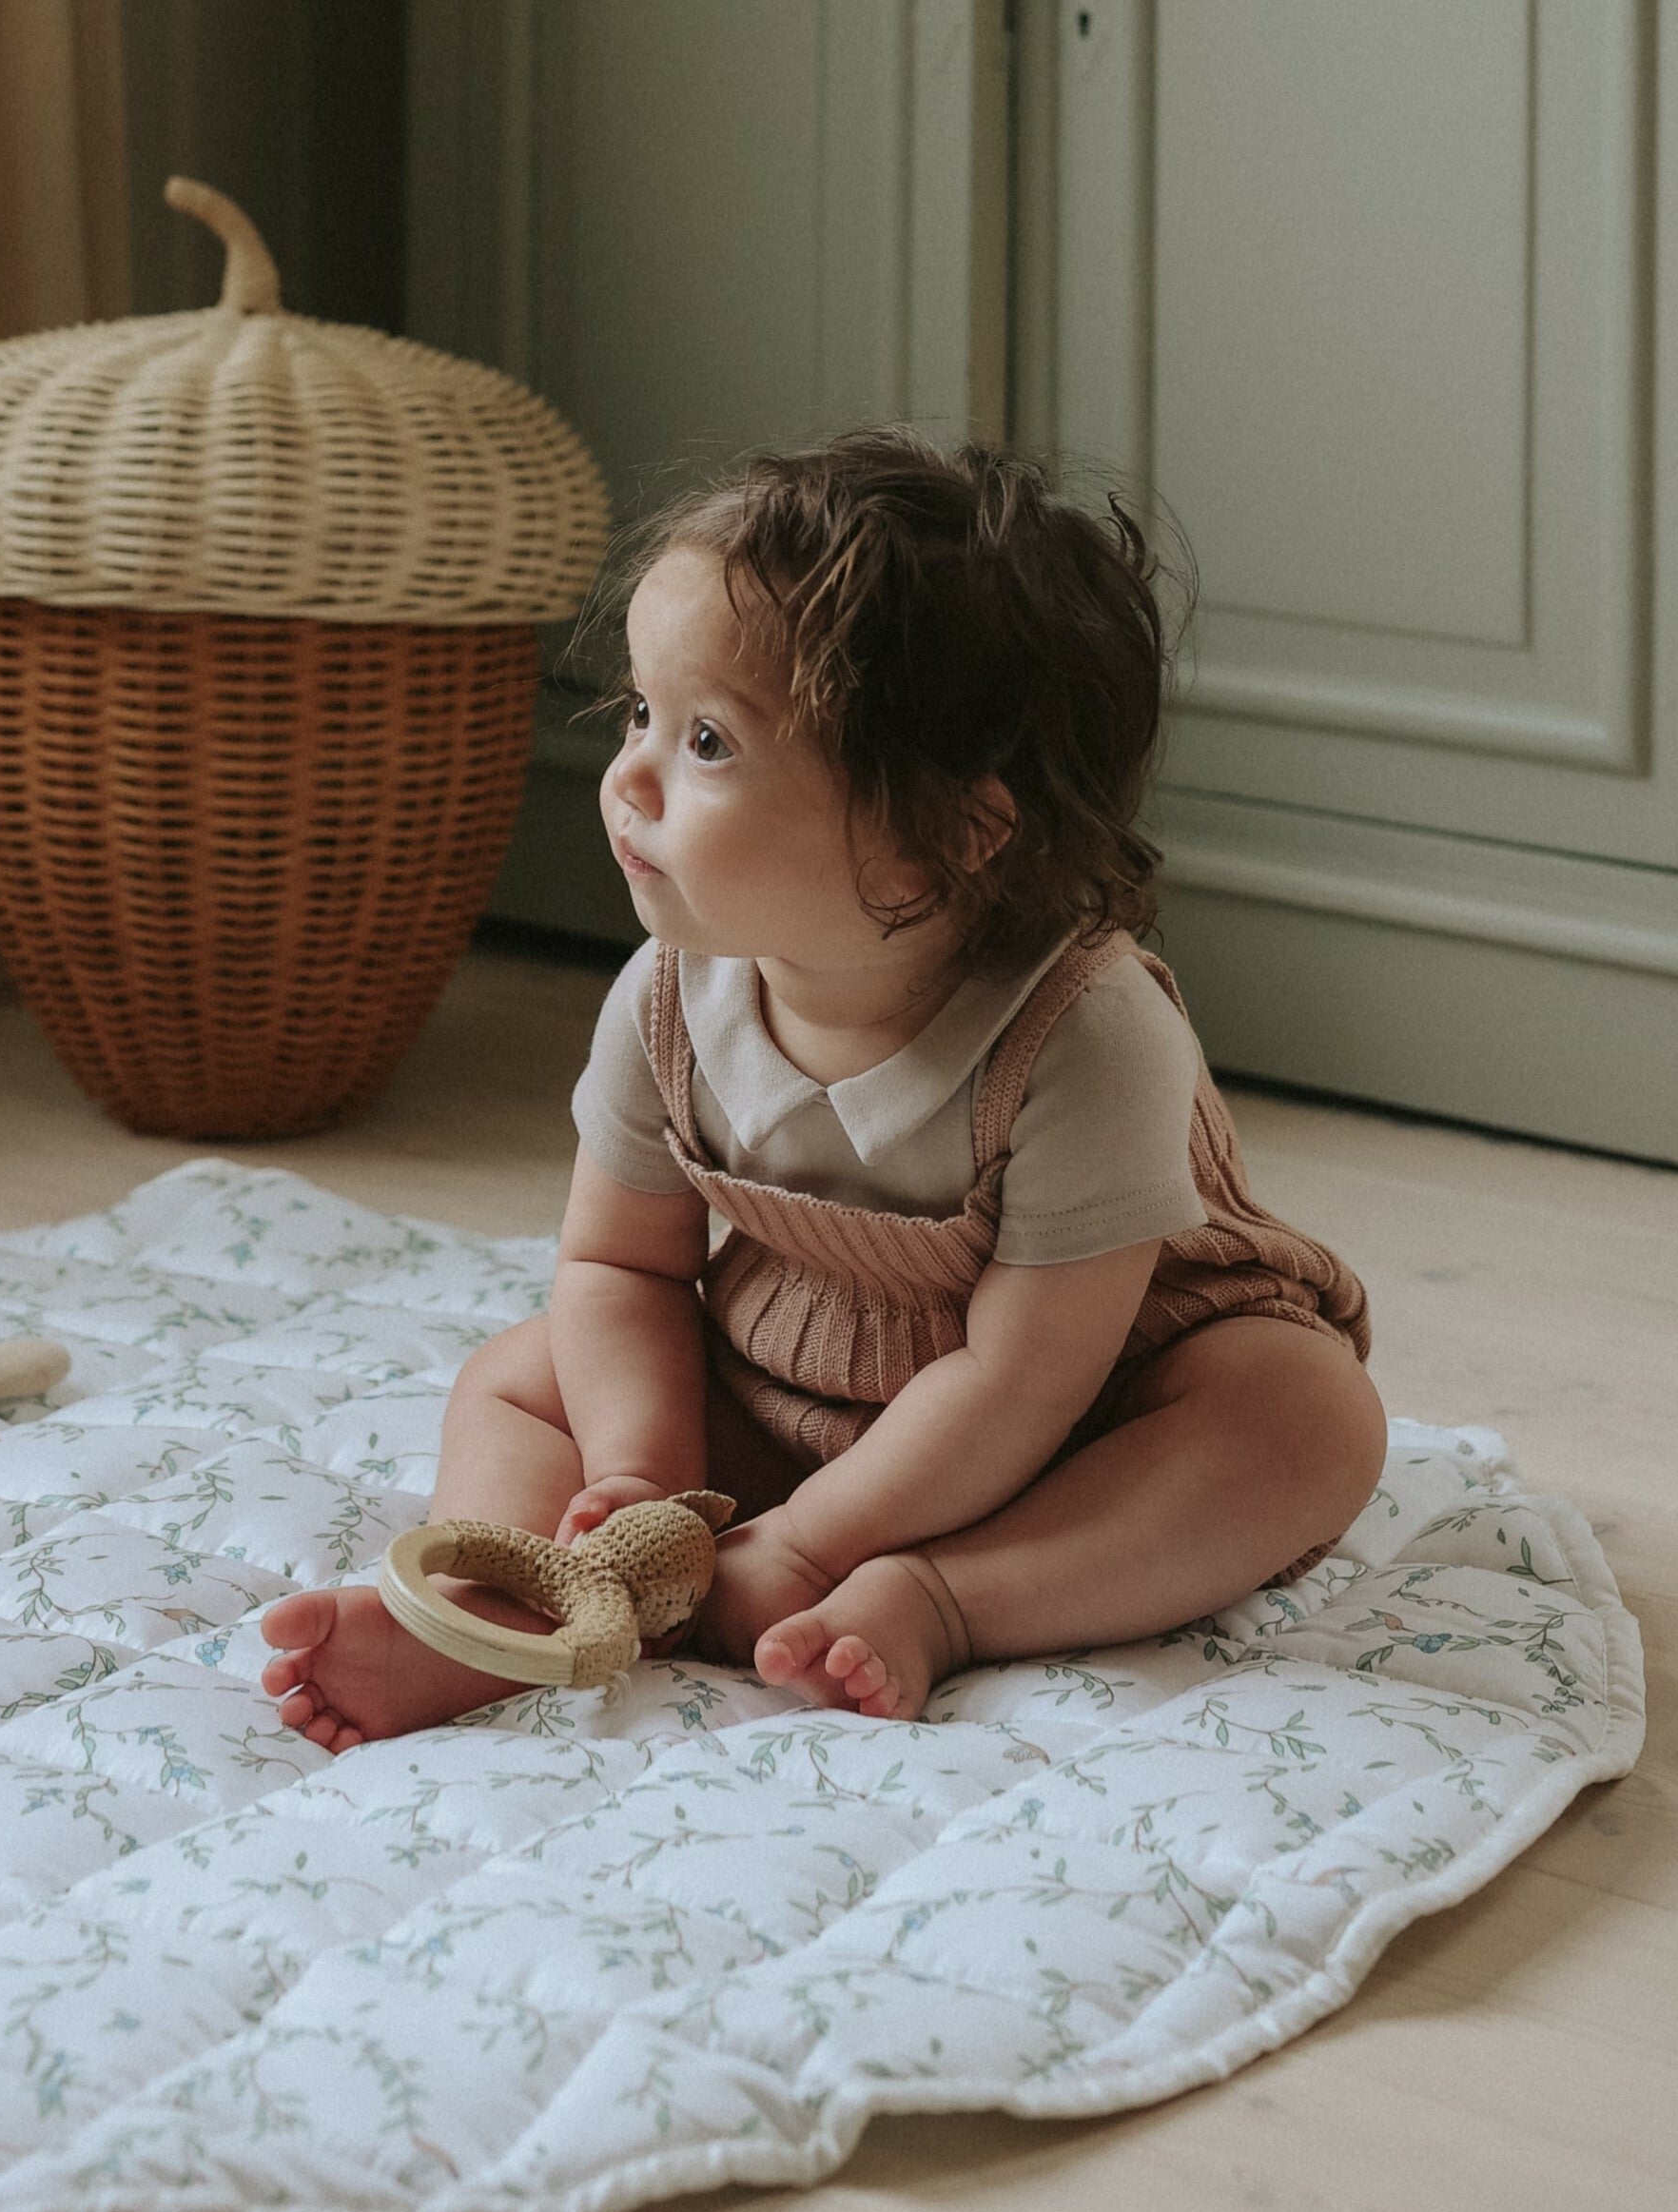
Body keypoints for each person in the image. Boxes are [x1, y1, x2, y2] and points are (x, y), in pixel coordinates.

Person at [261, 427, 1384, 1750]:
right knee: (520, 1375)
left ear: (946, 838)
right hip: (796, 1383)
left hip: (1076, 1417)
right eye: (638, 713)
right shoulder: (670, 992)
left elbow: (1018, 1381)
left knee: (1308, 1419)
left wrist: (805, 1543)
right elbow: (618, 1267)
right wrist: (640, 1470)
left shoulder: (1089, 1035)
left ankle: (949, 1598)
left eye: (709, 742)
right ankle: (511, 1607)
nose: (627, 776)